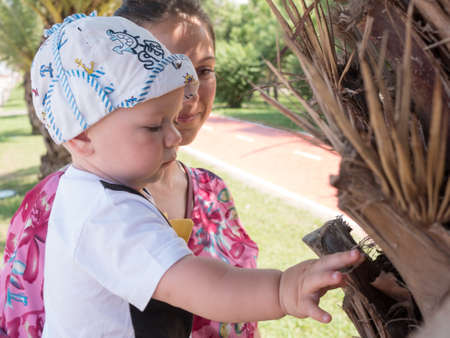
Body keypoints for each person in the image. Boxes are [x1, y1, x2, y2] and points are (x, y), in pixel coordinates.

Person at [2, 13, 361, 338]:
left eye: (171, 120)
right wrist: (283, 289)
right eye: (154, 126)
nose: (174, 137)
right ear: (80, 135)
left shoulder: (88, 191)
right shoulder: (107, 213)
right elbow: (203, 287)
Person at [0, 1, 260, 337]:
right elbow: (20, 319)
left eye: (205, 70)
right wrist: (286, 289)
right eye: (155, 74)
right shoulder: (54, 207)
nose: (187, 92)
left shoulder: (212, 194)